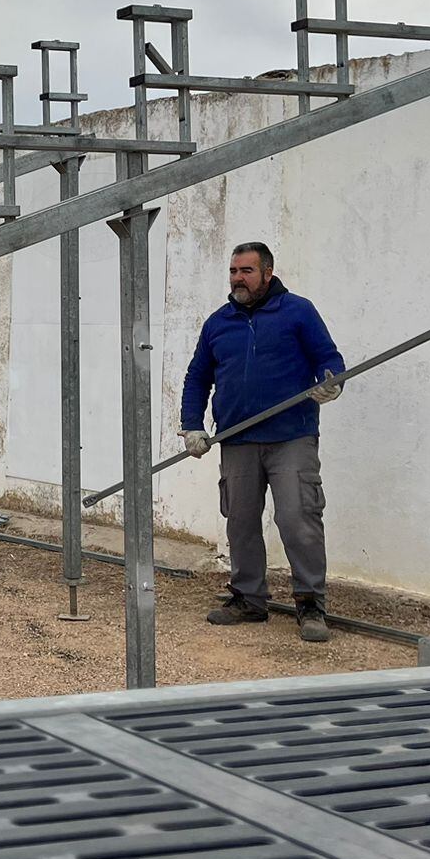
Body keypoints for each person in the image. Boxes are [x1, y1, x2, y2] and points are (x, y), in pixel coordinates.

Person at [181, 241, 345, 644]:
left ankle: (310, 602)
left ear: (267, 273)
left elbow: (330, 359)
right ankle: (249, 598)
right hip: (236, 438)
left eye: (246, 271)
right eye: (234, 271)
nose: (238, 278)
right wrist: (192, 426)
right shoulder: (219, 322)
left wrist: (331, 382)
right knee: (240, 522)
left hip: (292, 436)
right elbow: (197, 377)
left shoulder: (298, 312)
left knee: (297, 518)